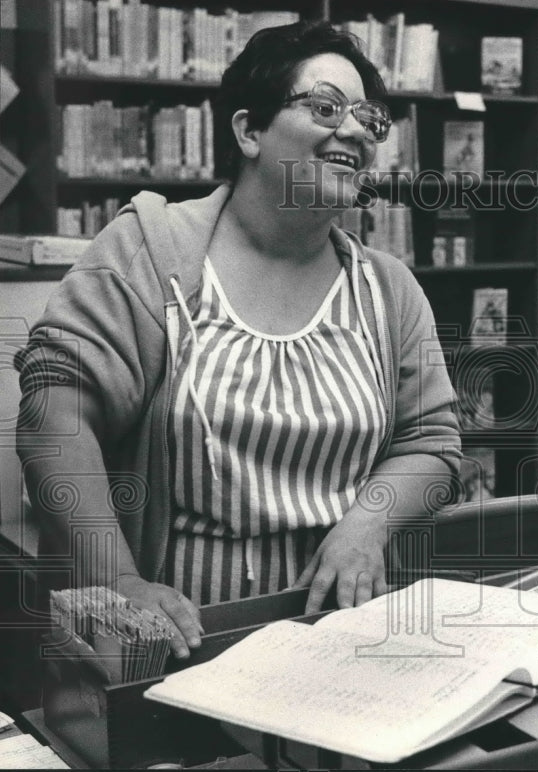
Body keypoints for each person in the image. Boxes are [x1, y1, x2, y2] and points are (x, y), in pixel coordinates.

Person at [16, 21, 462, 660]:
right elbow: (53, 419)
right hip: (176, 640)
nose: (358, 131)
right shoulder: (150, 250)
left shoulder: (387, 289)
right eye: (327, 107)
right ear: (249, 131)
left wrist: (367, 525)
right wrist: (118, 580)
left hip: (343, 633)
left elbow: (432, 442)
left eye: (370, 117)